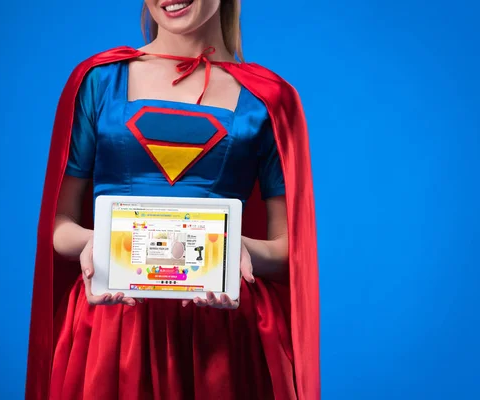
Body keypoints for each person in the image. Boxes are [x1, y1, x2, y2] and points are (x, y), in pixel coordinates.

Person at [25, 1, 320, 399]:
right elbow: (58, 227)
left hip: (222, 336)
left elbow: (290, 252)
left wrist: (234, 249)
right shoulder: (99, 81)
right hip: (113, 329)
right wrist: (98, 244)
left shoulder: (269, 99)